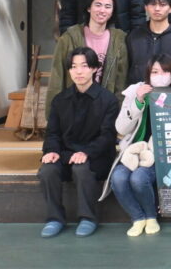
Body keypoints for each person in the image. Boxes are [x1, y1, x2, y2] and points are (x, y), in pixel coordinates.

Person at [37, 46, 119, 238]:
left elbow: (107, 136)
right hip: (66, 154)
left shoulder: (108, 100)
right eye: (73, 67)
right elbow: (52, 133)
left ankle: (88, 218)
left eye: (84, 66)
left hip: (96, 156)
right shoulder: (60, 100)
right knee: (47, 170)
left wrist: (86, 153)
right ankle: (54, 219)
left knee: (81, 169)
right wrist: (51, 150)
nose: (78, 71)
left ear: (94, 68)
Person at [100, 53, 171, 237]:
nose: (160, 76)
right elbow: (120, 128)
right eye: (155, 72)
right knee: (118, 178)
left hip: (160, 155)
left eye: (165, 71)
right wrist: (138, 101)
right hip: (133, 152)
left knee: (139, 178)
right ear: (148, 74)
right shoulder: (135, 92)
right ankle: (137, 217)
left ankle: (151, 217)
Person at [47, 0, 128, 117]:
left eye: (108, 7)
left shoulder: (119, 40)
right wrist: (52, 115)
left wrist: (118, 115)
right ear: (89, 8)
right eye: (98, 5)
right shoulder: (69, 37)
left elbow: (121, 81)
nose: (102, 10)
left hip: (105, 108)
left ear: (112, 12)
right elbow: (57, 76)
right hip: (74, 107)